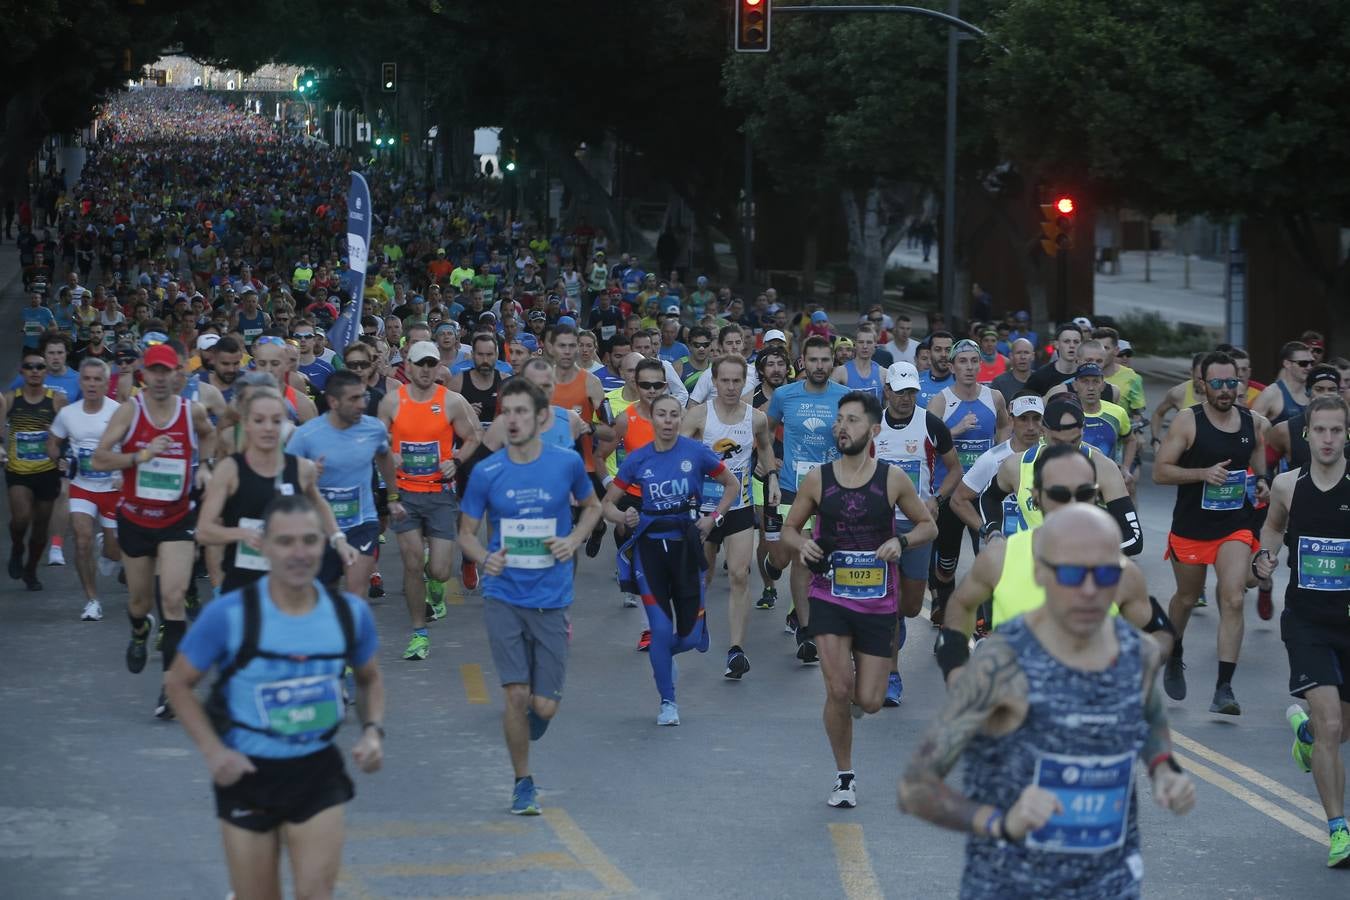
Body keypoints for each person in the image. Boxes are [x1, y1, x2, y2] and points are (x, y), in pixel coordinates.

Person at [899, 504, 1196, 899]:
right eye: (1073, 573)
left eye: (1104, 573)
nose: (1090, 590)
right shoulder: (1000, 665)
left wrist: (1164, 769)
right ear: (1043, 574)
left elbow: (1148, 713)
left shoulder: (1131, 653)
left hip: (1110, 884)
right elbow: (916, 788)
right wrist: (1001, 822)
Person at [163, 494, 385, 900]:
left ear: (325, 543)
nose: (299, 553)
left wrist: (372, 732)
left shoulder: (348, 615)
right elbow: (178, 684)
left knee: (316, 893)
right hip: (249, 776)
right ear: (263, 546)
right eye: (285, 542)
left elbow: (370, 678)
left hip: (317, 772)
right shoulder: (229, 614)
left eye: (309, 540)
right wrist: (214, 753)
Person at [781, 390, 936, 807]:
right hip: (829, 594)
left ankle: (851, 705)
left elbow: (928, 527)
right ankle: (844, 777)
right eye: (839, 420)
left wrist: (901, 543)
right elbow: (791, 528)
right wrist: (803, 546)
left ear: (873, 430)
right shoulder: (818, 478)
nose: (841, 427)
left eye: (851, 420)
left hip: (877, 601)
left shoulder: (891, 478)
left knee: (868, 700)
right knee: (836, 687)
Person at [458, 378, 602, 814]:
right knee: (516, 696)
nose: (513, 420)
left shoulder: (565, 464)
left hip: (552, 596)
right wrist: (485, 558)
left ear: (542, 418)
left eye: (522, 412)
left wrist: (573, 539)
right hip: (504, 596)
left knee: (544, 706)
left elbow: (592, 506)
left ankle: (534, 719)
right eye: (507, 412)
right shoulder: (487, 471)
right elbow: (464, 533)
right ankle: (523, 782)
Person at [943, 443, 1171, 659]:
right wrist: (957, 672)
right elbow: (958, 609)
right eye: (1059, 495)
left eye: (1083, 494)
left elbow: (1162, 633)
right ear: (1036, 498)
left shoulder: (1119, 571)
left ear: (1096, 496)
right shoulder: (1000, 559)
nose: (1071, 505)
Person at [92, 343, 216, 718]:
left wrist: (205, 465)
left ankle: (170, 689)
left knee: (174, 600)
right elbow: (99, 457)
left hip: (177, 518)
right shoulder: (131, 411)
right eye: (155, 372)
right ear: (144, 374)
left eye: (168, 371)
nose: (161, 379)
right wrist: (140, 457)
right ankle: (140, 629)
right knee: (139, 603)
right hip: (136, 519)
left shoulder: (190, 411)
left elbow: (209, 434)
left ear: (178, 373)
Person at [1253, 395, 1350, 868]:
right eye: (1321, 430)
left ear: (1346, 433)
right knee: (1333, 723)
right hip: (1307, 621)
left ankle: (1305, 733)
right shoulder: (1289, 485)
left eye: (1337, 430)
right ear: (1306, 434)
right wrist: (1263, 558)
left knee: (1338, 730)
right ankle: (1339, 830)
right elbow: (1272, 529)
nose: (1328, 439)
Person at [1153, 350, 1269, 716]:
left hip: (1233, 524)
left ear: (1240, 384)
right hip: (1191, 528)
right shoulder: (1189, 422)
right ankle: (1175, 650)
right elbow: (1160, 472)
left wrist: (1262, 481)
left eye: (1231, 383)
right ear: (1202, 385)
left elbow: (1259, 457)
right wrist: (1202, 474)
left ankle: (1224, 688)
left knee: (1232, 597)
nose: (1225, 390)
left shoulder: (1252, 422)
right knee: (1186, 599)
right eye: (1217, 383)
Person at [378, 340, 481, 660]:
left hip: (439, 494)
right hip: (406, 492)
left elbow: (474, 436)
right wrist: (390, 459)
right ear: (407, 366)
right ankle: (418, 633)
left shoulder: (451, 401)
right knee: (411, 564)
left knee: (438, 570)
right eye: (419, 364)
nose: (425, 370)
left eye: (430, 364)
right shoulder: (392, 402)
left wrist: (458, 460)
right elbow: (379, 442)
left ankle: (436, 590)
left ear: (438, 367)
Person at [197, 386, 354, 594]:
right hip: (244, 587)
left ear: (286, 426)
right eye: (259, 420)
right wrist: (242, 533)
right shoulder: (229, 470)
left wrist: (338, 539)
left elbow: (318, 502)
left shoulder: (301, 468)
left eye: (276, 421)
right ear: (246, 425)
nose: (269, 428)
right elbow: (204, 531)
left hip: (292, 585)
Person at [680, 354, 779, 679]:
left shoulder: (755, 418)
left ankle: (736, 650)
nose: (731, 387)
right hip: (703, 509)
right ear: (715, 381)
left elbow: (764, 448)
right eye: (725, 380)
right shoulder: (697, 416)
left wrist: (772, 478)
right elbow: (679, 456)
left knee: (739, 574)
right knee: (704, 576)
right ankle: (697, 618)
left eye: (738, 381)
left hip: (739, 506)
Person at [870, 362, 957, 704]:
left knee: (908, 605)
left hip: (918, 526)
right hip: (879, 526)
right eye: (900, 391)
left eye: (911, 392)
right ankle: (892, 675)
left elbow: (955, 471)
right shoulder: (872, 425)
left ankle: (899, 622)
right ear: (887, 391)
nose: (906, 398)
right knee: (889, 603)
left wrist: (936, 499)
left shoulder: (931, 424)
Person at [766, 335, 850, 663]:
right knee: (788, 555)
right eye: (812, 360)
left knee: (805, 557)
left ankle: (806, 629)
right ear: (803, 362)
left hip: (830, 488)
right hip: (791, 485)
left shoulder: (845, 397)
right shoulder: (786, 395)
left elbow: (855, 439)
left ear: (832, 363)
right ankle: (772, 562)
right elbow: (767, 428)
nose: (819, 366)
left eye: (824, 360)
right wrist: (769, 461)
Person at [287, 370, 401, 596]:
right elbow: (285, 479)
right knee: (323, 592)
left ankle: (352, 629)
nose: (362, 405)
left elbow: (384, 456)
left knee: (355, 591)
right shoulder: (306, 435)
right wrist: (306, 476)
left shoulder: (373, 428)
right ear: (333, 402)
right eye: (354, 399)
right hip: (319, 528)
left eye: (363, 397)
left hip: (362, 523)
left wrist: (393, 496)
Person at [925, 339, 1009, 619]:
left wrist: (999, 452)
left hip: (982, 494)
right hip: (949, 492)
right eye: (963, 362)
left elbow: (1005, 424)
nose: (970, 367)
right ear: (952, 367)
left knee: (987, 553)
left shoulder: (993, 397)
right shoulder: (941, 400)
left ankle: (986, 618)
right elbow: (928, 441)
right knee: (946, 562)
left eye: (974, 361)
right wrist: (955, 430)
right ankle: (945, 605)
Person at [47, 357, 121, 619]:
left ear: (105, 383)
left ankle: (108, 546)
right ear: (81, 382)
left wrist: (125, 473)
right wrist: (59, 458)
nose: (91, 384)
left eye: (97, 379)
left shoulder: (119, 412)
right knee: (81, 541)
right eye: (87, 379)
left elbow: (134, 445)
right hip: (82, 486)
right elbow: (53, 441)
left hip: (113, 488)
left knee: (113, 552)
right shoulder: (69, 414)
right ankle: (92, 600)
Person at [7, 347, 66, 590]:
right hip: (18, 470)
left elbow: (67, 431)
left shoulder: (57, 400)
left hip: (46, 471)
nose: (34, 371)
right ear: (22, 371)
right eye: (29, 367)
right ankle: (17, 546)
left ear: (45, 372)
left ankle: (31, 569)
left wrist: (56, 444)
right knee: (21, 518)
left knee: (41, 526)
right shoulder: (11, 398)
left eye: (40, 367)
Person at [949, 392, 1044, 540]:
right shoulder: (992, 458)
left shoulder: (1051, 454)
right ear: (1011, 421)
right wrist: (986, 530)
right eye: (1023, 419)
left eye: (1036, 418)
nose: (1031, 427)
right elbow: (958, 500)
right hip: (1001, 547)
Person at [1266, 365, 1348, 470]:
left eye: (1331, 389)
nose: (1326, 394)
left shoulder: (1348, 428)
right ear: (1308, 392)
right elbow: (1264, 469)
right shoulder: (1285, 430)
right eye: (1319, 389)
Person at [1252, 340, 1314, 427]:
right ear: (1287, 364)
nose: (1309, 367)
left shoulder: (1314, 392)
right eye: (1303, 363)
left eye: (1312, 363)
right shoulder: (1271, 393)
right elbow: (1252, 428)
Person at [1022, 323, 1084, 396]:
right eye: (1066, 341)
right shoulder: (1039, 377)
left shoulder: (1086, 375)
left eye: (1076, 342)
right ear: (1056, 344)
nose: (1072, 346)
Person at [831, 324, 884, 400]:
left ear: (875, 345)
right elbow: (828, 400)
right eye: (861, 342)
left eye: (869, 342)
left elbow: (888, 406)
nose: (865, 346)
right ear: (855, 345)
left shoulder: (883, 373)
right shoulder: (840, 372)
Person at [917, 331, 955, 408]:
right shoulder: (916, 381)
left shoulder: (961, 383)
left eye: (948, 350)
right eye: (938, 349)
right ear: (929, 353)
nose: (943, 354)